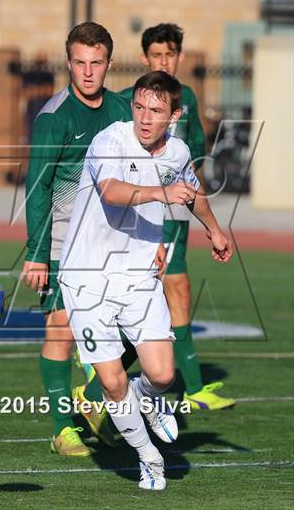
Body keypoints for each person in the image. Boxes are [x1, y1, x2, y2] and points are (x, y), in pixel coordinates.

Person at [59, 71, 233, 491]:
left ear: (174, 115)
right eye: (139, 106)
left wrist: (214, 229)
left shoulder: (175, 151)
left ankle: (149, 401)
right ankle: (148, 456)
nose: (144, 117)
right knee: (112, 380)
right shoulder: (110, 141)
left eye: (155, 110)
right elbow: (113, 191)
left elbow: (191, 189)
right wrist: (160, 193)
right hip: (86, 277)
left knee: (161, 375)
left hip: (138, 275)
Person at [21, 22, 140, 456]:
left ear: (109, 63)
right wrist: (37, 255)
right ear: (68, 63)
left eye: (96, 63)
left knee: (142, 329)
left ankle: (90, 399)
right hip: (61, 245)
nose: (88, 72)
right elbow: (37, 189)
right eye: (79, 63)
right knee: (61, 330)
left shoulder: (125, 110)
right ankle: (61, 430)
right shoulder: (54, 118)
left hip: (115, 242)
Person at [121, 24, 235, 410]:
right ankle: (101, 380)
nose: (163, 61)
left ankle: (194, 387)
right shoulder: (128, 101)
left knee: (178, 295)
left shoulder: (186, 99)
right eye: (155, 55)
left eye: (169, 54)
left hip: (177, 216)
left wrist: (209, 222)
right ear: (144, 59)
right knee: (142, 301)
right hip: (141, 216)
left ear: (180, 57)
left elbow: (193, 166)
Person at [23, 51, 55, 141]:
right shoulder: (30, 75)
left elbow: (49, 91)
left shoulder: (48, 75)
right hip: (32, 108)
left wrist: (36, 90)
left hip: (45, 107)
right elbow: (27, 93)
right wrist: (40, 90)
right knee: (31, 135)